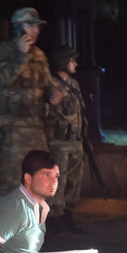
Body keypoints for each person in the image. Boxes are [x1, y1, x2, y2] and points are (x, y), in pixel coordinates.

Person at [0, 7, 62, 199]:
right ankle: (3, 226)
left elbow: (48, 84)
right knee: (12, 180)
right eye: (31, 26)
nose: (36, 31)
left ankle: (33, 225)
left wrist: (54, 94)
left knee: (39, 178)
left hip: (36, 127)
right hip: (14, 127)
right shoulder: (3, 51)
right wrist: (21, 55)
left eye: (38, 27)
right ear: (17, 27)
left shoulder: (39, 55)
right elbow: (4, 79)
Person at [0, 150, 58, 253]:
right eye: (46, 175)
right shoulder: (16, 209)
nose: (54, 181)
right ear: (28, 178)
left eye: (56, 176)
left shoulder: (39, 206)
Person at [45, 45, 88, 234]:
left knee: (74, 180)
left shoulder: (73, 84)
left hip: (75, 141)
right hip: (59, 142)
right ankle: (55, 217)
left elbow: (79, 113)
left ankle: (68, 214)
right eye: (72, 60)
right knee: (58, 180)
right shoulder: (51, 85)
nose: (75, 64)